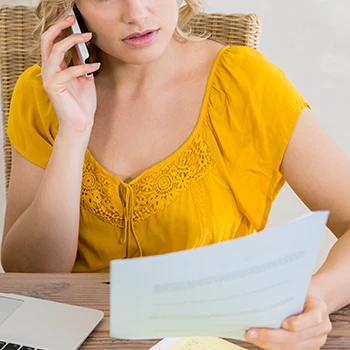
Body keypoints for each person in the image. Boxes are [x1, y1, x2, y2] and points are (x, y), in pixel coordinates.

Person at [1, 0, 350, 348]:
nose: (136, 14)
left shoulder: (248, 85)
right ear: (72, 8)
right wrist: (73, 134)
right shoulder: (43, 95)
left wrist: (318, 296)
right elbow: (28, 272)